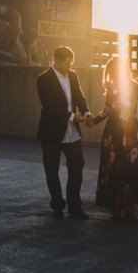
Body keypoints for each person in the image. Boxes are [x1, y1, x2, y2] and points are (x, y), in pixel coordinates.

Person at [36, 46, 93, 219]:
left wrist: (86, 112)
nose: (69, 67)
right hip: (51, 132)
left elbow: (79, 96)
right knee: (51, 170)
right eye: (66, 63)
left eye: (71, 63)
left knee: (77, 166)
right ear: (57, 61)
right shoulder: (43, 79)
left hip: (72, 132)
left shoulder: (73, 76)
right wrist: (71, 117)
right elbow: (49, 105)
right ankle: (57, 204)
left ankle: (74, 205)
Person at [90, 56, 138, 220]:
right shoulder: (119, 88)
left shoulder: (134, 87)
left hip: (126, 131)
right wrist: (93, 121)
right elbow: (107, 110)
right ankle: (121, 206)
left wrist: (114, 90)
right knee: (118, 167)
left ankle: (125, 206)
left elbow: (122, 106)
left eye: (111, 72)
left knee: (125, 166)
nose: (110, 75)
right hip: (121, 131)